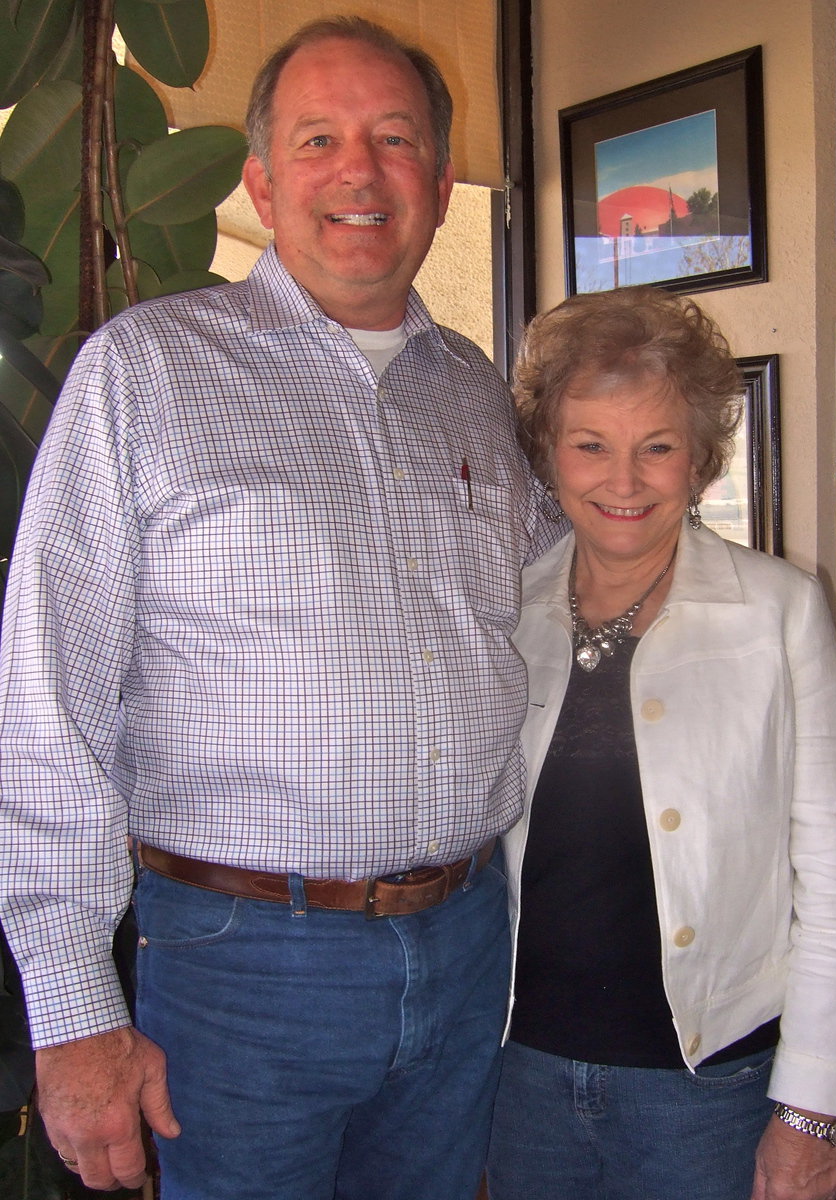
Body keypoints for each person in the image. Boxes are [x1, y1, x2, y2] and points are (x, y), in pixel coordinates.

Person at [0, 17, 559, 1200]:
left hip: (466, 947)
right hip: (238, 968)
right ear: (261, 178)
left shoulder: (473, 391)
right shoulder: (144, 373)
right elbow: (46, 704)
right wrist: (70, 1013)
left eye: (396, 138)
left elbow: (564, 611)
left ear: (442, 187)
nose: (360, 170)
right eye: (320, 139)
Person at [485, 288, 836, 1200]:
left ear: (700, 462)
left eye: (656, 447)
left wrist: (812, 1112)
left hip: (710, 1093)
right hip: (522, 1079)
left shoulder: (781, 612)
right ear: (549, 456)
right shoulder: (502, 611)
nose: (623, 481)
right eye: (591, 444)